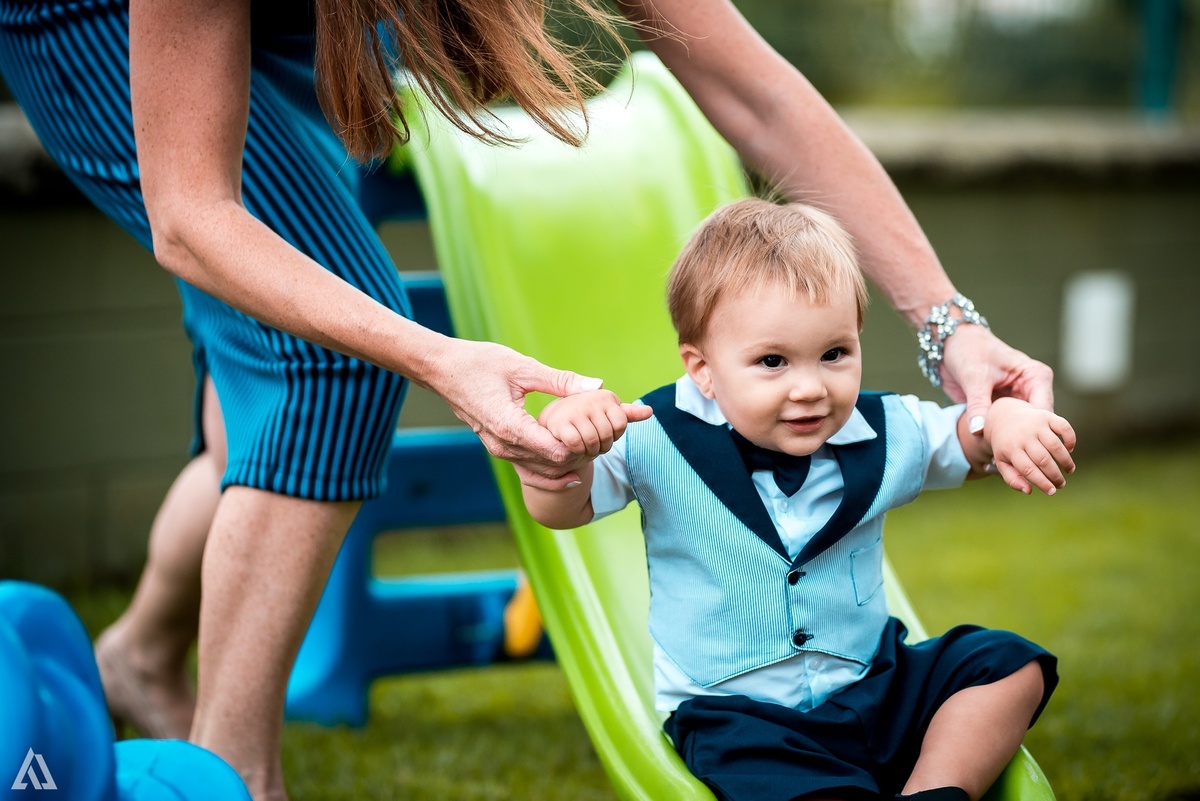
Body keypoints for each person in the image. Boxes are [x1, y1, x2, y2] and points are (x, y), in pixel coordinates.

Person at [0, 0, 1058, 797]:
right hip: (93, 22)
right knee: (327, 363)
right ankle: (231, 771)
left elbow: (759, 93)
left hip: (297, 27)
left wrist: (951, 332)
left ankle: (139, 651)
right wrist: (441, 357)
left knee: (261, 410)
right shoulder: (672, 437)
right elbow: (195, 213)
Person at [520, 198, 1075, 801]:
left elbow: (968, 439)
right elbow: (561, 508)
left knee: (1006, 665)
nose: (810, 388)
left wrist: (1007, 420)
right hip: (742, 716)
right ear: (702, 370)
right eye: (773, 362)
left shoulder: (885, 429)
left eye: (834, 354)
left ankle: (933, 791)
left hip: (872, 685)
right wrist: (563, 449)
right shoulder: (654, 435)